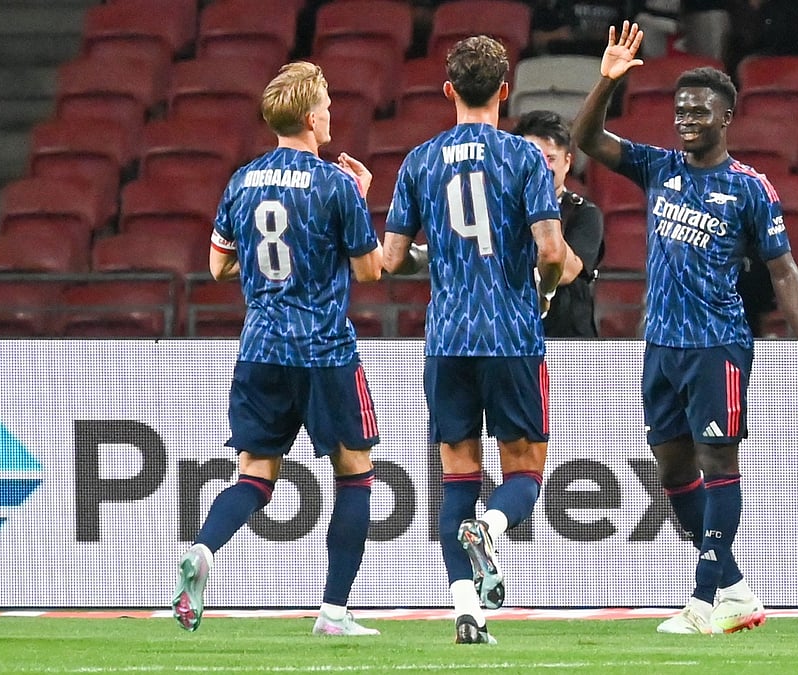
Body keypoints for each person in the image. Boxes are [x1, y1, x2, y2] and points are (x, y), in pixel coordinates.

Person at [571, 21, 798, 634]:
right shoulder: (658, 167)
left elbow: (784, 271)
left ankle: (703, 601)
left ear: (726, 117)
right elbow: (586, 139)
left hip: (717, 345)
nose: (685, 119)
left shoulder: (749, 189)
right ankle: (734, 588)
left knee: (717, 461)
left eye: (698, 111)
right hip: (661, 344)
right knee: (672, 471)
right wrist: (606, 82)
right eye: (680, 109)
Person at [170, 61, 385, 637]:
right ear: (312, 118)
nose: (332, 115)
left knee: (254, 476)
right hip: (324, 351)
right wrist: (359, 200)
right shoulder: (335, 184)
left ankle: (204, 549)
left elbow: (217, 266)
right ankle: (333, 613)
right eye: (328, 107)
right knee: (355, 475)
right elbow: (369, 270)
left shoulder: (242, 181)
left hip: (260, 348)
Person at [382, 36, 567, 644]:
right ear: (505, 91)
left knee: (457, 478)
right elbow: (550, 251)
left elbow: (392, 259)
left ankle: (467, 611)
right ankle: (492, 526)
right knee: (525, 475)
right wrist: (542, 292)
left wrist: (439, 255)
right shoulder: (525, 157)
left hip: (447, 339)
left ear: (448, 91)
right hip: (510, 334)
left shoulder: (419, 160)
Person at [513, 110, 604, 338]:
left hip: (571, 345)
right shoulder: (503, 213)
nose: (541, 168)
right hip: (515, 340)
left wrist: (541, 204)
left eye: (550, 159)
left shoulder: (585, 214)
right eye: (532, 158)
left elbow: (565, 271)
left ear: (567, 162)